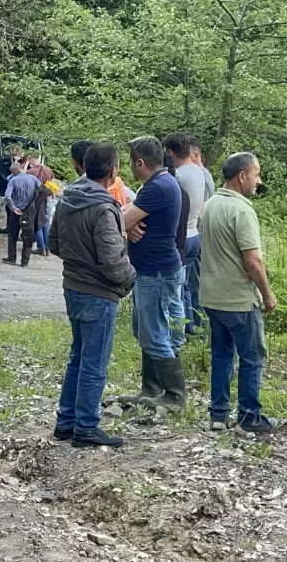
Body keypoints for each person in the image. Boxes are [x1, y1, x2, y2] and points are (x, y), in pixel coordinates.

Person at [49, 143, 136, 448]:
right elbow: (112, 259)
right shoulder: (103, 206)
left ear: (83, 166)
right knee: (94, 362)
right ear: (113, 172)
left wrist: (78, 262)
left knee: (78, 356)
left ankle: (66, 421)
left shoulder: (68, 197)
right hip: (99, 293)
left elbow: (54, 243)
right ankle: (86, 426)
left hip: (72, 286)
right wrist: (130, 279)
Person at [199, 152, 277, 433]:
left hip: (211, 295)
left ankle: (218, 415)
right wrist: (267, 294)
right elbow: (253, 260)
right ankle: (248, 417)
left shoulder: (210, 205)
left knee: (221, 353)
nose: (258, 181)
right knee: (252, 356)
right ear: (242, 176)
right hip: (238, 299)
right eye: (256, 174)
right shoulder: (242, 210)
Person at [120, 136, 186, 410]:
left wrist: (127, 224)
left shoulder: (158, 187)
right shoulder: (159, 183)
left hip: (156, 271)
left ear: (140, 162)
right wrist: (129, 225)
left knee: (154, 333)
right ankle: (151, 387)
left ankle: (175, 395)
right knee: (145, 329)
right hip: (153, 269)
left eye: (130, 162)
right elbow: (126, 218)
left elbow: (120, 219)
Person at [164, 133, 206, 335]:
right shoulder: (199, 172)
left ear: (170, 153)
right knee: (189, 287)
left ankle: (182, 330)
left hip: (181, 237)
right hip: (194, 233)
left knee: (179, 290)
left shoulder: (178, 177)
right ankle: (193, 327)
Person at [3, 162, 42, 267]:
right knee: (27, 235)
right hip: (29, 212)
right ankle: (25, 261)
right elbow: (41, 190)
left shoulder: (13, 180)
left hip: (17, 212)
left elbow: (7, 196)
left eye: (13, 172)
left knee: (12, 235)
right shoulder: (33, 179)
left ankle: (11, 258)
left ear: (16, 170)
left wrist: (13, 208)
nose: (12, 174)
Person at [189, 136, 215, 201]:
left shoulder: (201, 177)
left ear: (196, 155)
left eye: (185, 155)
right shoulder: (200, 174)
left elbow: (201, 209)